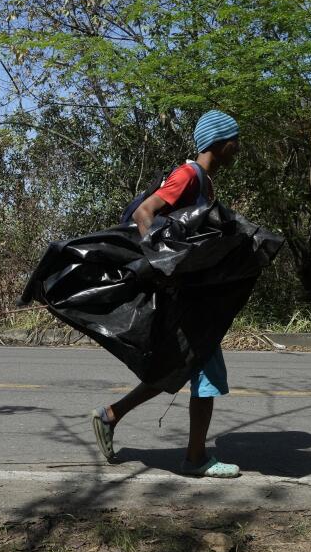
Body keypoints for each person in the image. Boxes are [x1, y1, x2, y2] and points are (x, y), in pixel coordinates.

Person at [91, 110, 243, 478]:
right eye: (235, 141)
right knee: (203, 371)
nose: (238, 149)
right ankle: (195, 459)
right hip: (181, 294)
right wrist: (163, 267)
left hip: (192, 295)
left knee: (179, 366)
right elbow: (146, 212)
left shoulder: (204, 182)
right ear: (221, 143)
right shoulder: (188, 175)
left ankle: (111, 415)